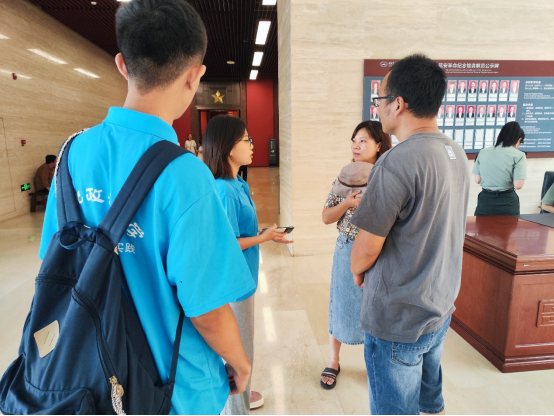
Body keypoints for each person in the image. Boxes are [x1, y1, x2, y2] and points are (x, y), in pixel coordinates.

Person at [39, 1, 256, 414]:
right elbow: (205, 308)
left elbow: (53, 263)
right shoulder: (186, 174)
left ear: (122, 65)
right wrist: (241, 364)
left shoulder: (71, 154)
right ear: (194, 75)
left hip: (87, 378)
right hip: (173, 389)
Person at [350, 54, 470, 416]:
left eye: (380, 99)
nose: (378, 108)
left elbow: (366, 248)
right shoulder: (455, 152)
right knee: (430, 403)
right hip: (439, 306)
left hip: (398, 319)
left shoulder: (397, 161)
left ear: (398, 104)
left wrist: (357, 270)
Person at [203, 115, 292, 415]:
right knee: (239, 353)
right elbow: (225, 244)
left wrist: (265, 234)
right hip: (233, 285)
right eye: (246, 140)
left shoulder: (238, 183)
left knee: (243, 349)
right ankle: (236, 407)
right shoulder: (224, 190)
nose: (252, 145)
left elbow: (240, 231)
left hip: (244, 278)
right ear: (229, 147)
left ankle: (239, 398)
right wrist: (262, 237)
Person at [320, 121, 392, 391]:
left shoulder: (388, 177)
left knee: (376, 310)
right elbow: (326, 216)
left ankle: (373, 364)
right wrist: (347, 203)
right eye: (354, 140)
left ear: (379, 145)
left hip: (379, 250)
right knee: (339, 304)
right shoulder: (344, 177)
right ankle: (333, 360)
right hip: (346, 246)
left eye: (363, 140)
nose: (356, 145)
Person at [473, 122, 527, 216]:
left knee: (482, 225)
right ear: (519, 140)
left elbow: (477, 180)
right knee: (508, 225)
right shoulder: (519, 155)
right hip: (507, 201)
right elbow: (518, 185)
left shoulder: (483, 152)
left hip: (485, 200)